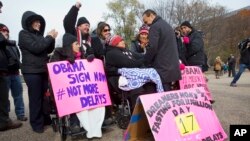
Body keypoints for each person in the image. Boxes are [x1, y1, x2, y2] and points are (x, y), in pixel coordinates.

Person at [18, 11, 58, 133]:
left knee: (44, 97)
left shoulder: (40, 36)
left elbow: (48, 49)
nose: (38, 23)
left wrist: (52, 39)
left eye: (39, 21)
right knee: (35, 98)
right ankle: (36, 123)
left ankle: (45, 118)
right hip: (32, 72)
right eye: (35, 21)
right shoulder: (23, 34)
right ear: (29, 23)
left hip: (42, 70)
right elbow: (37, 48)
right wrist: (49, 37)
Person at [142, 9, 181, 91]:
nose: (147, 25)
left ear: (151, 15)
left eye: (146, 22)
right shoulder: (167, 25)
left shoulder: (155, 27)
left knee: (164, 94)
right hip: (172, 65)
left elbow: (152, 47)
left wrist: (145, 61)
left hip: (162, 67)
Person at [0, 24, 27, 121]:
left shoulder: (12, 45)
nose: (6, 32)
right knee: (4, 98)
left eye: (7, 31)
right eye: (3, 30)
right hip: (4, 74)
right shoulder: (2, 44)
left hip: (15, 73)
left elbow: (18, 56)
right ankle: (5, 117)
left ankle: (20, 114)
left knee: (18, 95)